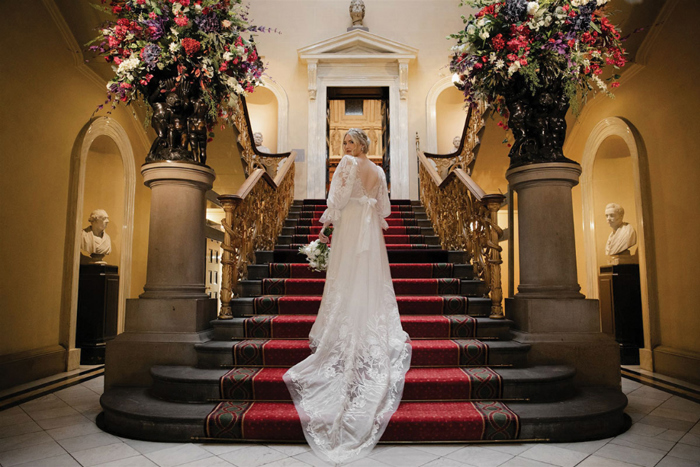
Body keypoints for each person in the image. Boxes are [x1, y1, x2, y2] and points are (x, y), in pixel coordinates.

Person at [283, 128, 412, 465]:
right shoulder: (380, 171)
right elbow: (384, 210)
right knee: (365, 279)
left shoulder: (347, 165)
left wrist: (325, 230)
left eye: (349, 142)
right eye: (344, 143)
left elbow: (336, 202)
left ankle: (343, 327)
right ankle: (364, 323)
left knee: (344, 279)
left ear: (360, 145)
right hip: (368, 227)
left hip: (353, 225)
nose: (345, 147)